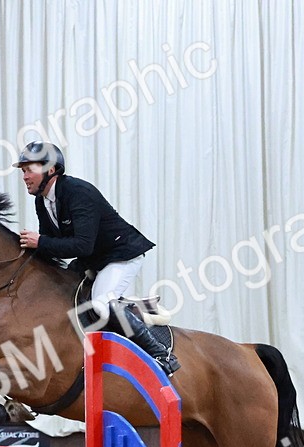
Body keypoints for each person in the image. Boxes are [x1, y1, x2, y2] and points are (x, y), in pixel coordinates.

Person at [13, 142, 180, 375]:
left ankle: (161, 354)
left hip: (120, 255)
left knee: (102, 304)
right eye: (23, 171)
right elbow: (52, 245)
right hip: (93, 259)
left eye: (29, 170)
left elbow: (81, 244)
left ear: (50, 170)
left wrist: (40, 242)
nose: (25, 177)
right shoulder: (42, 200)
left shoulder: (77, 192)